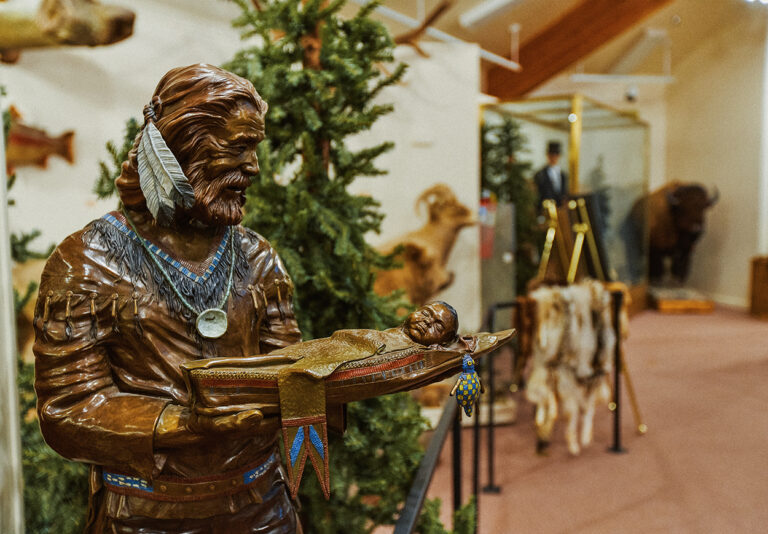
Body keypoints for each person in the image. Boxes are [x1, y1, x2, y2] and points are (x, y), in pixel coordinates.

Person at [33, 64, 302, 533]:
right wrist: (184, 424)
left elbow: (292, 372)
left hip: (264, 509)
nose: (254, 167)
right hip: (144, 518)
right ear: (181, 145)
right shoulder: (86, 262)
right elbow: (68, 409)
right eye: (238, 147)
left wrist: (383, 355)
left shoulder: (258, 258)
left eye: (254, 149)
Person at [533, 140, 569, 207]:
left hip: (560, 210)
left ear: (559, 156)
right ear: (548, 156)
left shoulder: (563, 175)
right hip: (545, 209)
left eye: (556, 155)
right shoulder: (540, 174)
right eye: (552, 155)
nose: (554, 158)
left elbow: (564, 193)